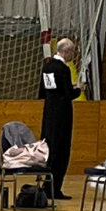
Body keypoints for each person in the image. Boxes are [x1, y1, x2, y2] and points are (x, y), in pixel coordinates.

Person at [39, 37, 80, 200]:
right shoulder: (64, 69)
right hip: (62, 115)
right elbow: (68, 95)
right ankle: (55, 189)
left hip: (49, 113)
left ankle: (46, 185)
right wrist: (79, 89)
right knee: (61, 151)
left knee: (50, 149)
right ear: (67, 51)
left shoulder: (47, 67)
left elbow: (43, 92)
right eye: (72, 52)